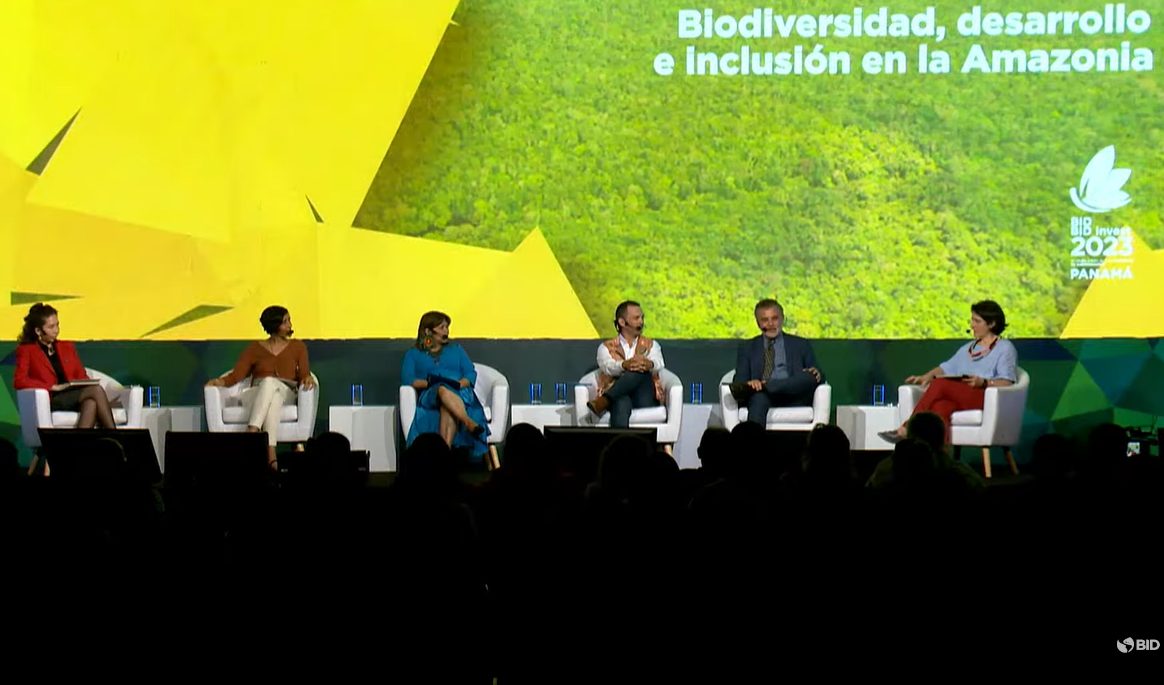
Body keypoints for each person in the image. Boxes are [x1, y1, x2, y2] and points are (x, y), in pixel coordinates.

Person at [880, 300, 1016, 444]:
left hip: (984, 397)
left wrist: (984, 382)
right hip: (960, 396)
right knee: (941, 407)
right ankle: (941, 456)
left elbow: (1007, 382)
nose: (972, 325)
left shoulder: (1005, 348)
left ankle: (907, 428)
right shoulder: (968, 348)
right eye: (972, 320)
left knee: (940, 383)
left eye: (977, 321)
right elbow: (945, 368)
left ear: (992, 324)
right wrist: (925, 377)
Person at [206, 305, 314, 469]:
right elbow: (237, 375)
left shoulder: (298, 347)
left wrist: (307, 377)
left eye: (289, 320)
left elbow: (304, 373)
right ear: (275, 325)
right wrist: (219, 382)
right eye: (286, 321)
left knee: (272, 385)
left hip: (286, 391)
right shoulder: (255, 348)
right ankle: (271, 455)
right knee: (272, 394)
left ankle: (251, 433)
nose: (290, 325)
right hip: (257, 393)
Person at [401, 311, 490, 459]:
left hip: (460, 392)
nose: (446, 331)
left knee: (447, 406)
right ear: (428, 331)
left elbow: (470, 373)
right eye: (442, 327)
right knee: (442, 389)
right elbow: (408, 379)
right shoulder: (413, 354)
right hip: (432, 393)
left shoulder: (456, 350)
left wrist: (462, 383)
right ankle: (468, 422)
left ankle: (444, 457)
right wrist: (430, 383)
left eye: (447, 327)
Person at [14, 303, 117, 431]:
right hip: (53, 398)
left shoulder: (66, 347)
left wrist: (82, 383)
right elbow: (19, 380)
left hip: (73, 394)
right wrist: (52, 387)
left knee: (91, 402)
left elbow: (81, 374)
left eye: (57, 324)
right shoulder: (27, 350)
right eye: (51, 327)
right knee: (96, 390)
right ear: (38, 331)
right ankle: (116, 437)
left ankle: (76, 448)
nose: (56, 330)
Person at [729, 299, 824, 426]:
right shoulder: (747, 347)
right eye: (765, 320)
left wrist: (816, 372)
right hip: (762, 396)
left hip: (794, 395)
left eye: (775, 318)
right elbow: (739, 382)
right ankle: (752, 444)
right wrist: (750, 383)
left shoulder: (800, 344)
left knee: (810, 376)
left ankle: (768, 385)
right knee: (757, 398)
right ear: (758, 323)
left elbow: (817, 376)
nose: (771, 324)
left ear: (782, 319)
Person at [586, 300, 666, 428]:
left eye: (642, 318)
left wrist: (648, 364)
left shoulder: (651, 344)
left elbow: (659, 363)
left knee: (639, 370)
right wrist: (624, 365)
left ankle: (604, 401)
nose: (641, 322)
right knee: (621, 401)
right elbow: (607, 367)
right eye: (636, 318)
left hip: (644, 396)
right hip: (618, 394)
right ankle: (621, 446)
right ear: (622, 322)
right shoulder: (606, 347)